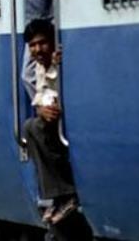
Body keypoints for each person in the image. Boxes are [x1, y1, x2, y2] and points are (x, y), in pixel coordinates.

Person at [22, 19, 80, 225]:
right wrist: (41, 109)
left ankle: (65, 193)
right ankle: (56, 197)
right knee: (31, 127)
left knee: (33, 127)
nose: (38, 49)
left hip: (65, 119)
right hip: (52, 120)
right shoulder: (40, 66)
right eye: (32, 46)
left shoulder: (59, 61)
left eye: (42, 43)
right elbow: (40, 96)